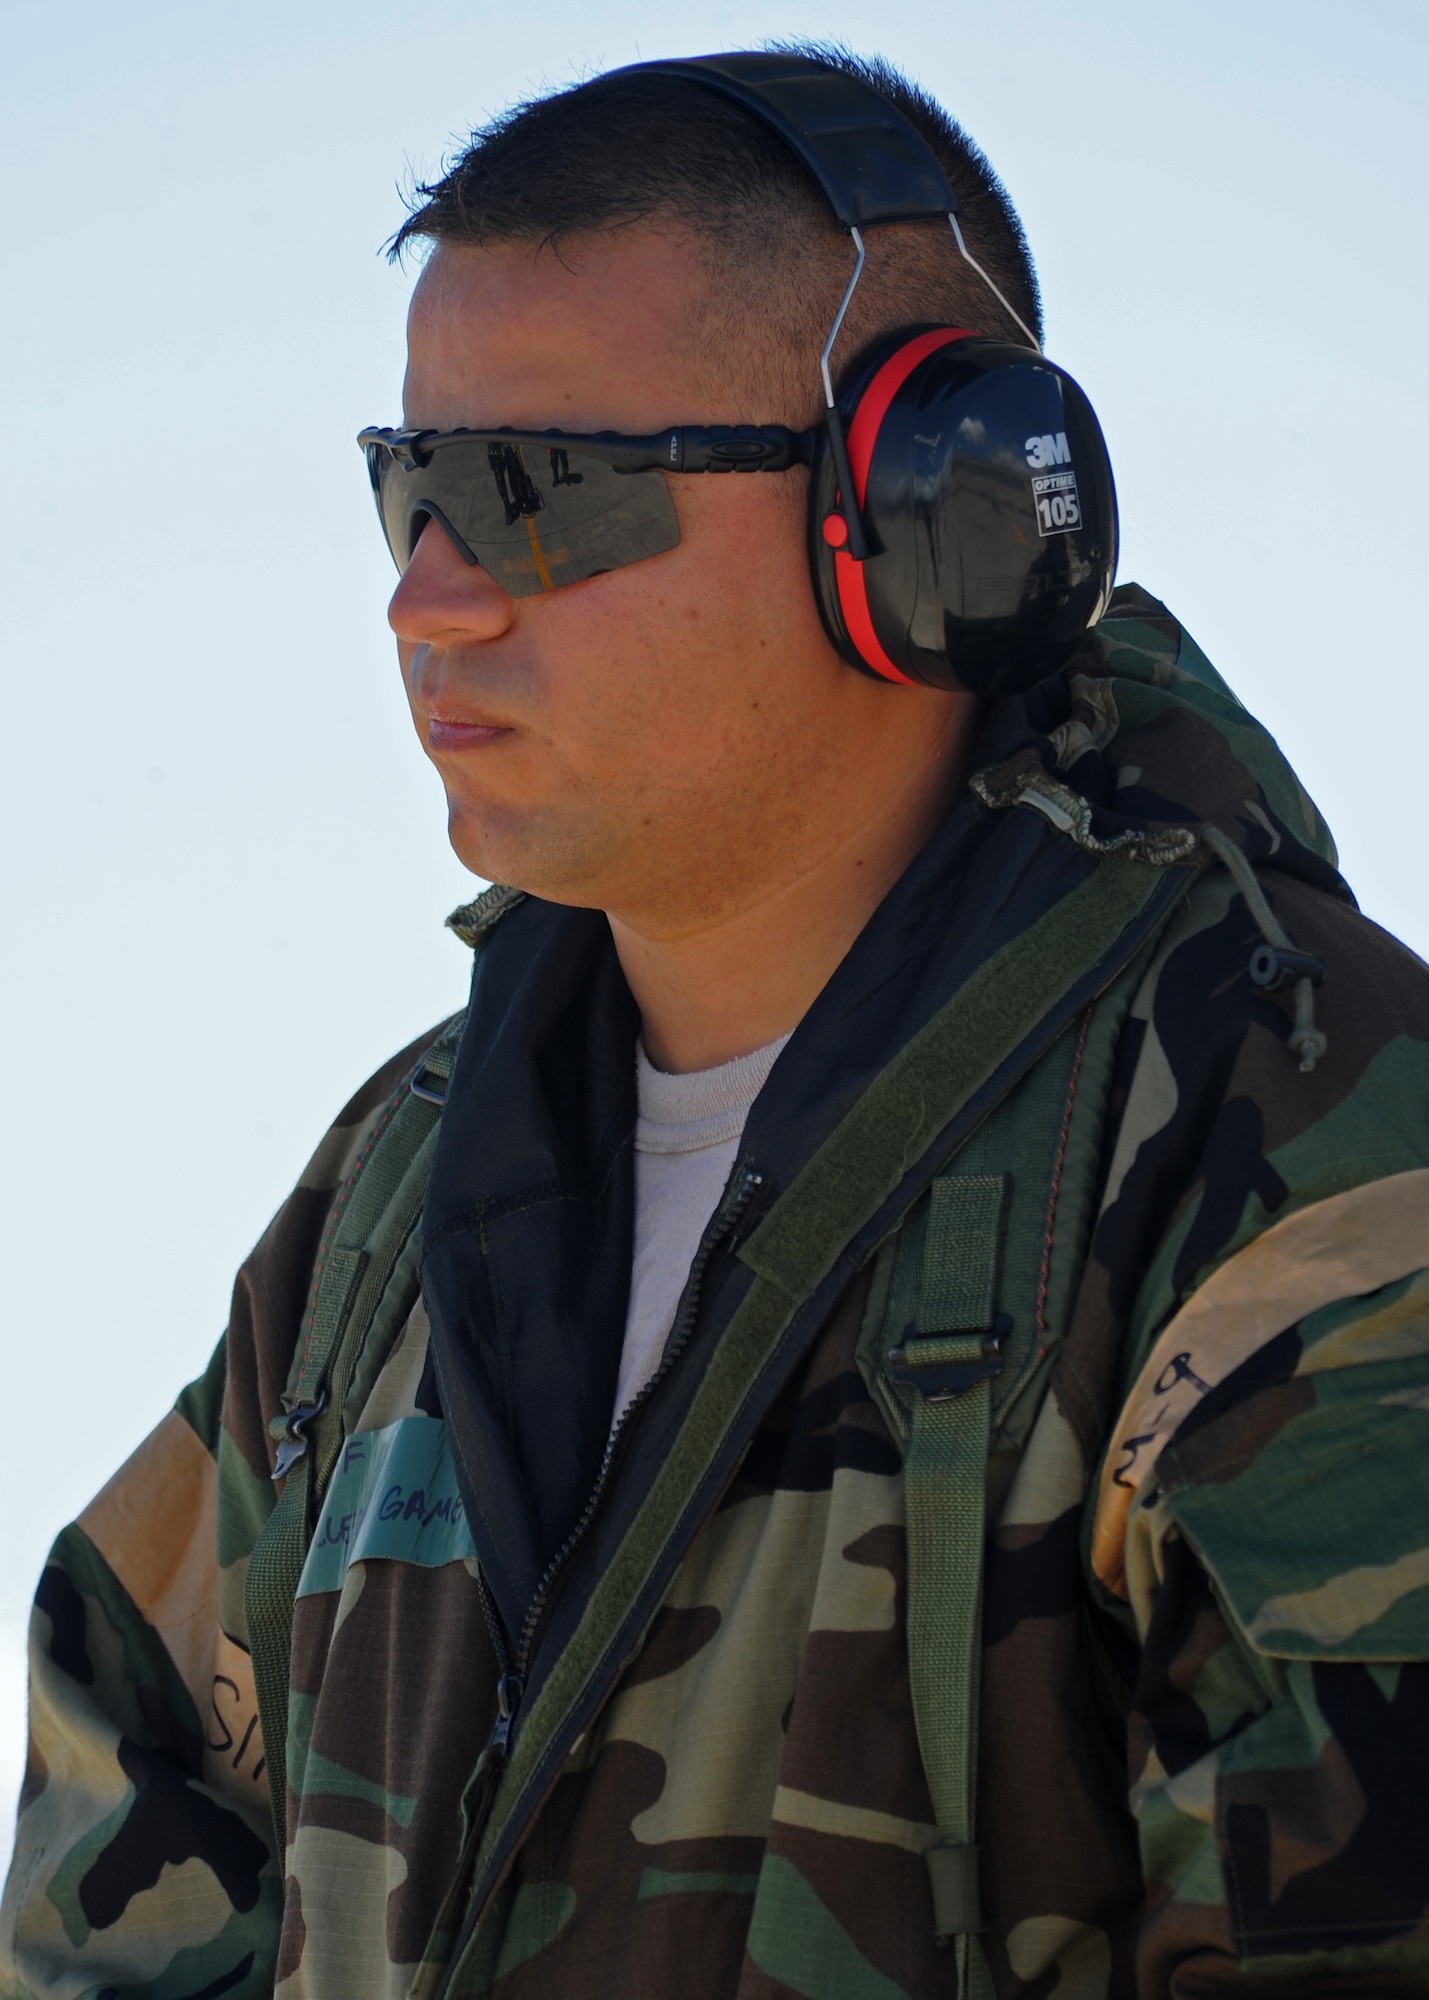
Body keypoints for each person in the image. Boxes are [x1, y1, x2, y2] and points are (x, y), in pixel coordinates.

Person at [4, 44, 1428, 2000]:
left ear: (933, 517)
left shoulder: (1297, 1140)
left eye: (537, 495)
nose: (427, 599)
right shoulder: (398, 1185)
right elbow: (120, 1822)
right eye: (406, 485)